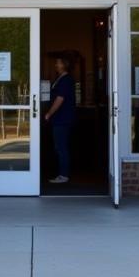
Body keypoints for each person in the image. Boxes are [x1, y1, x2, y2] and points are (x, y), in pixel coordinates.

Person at [44, 56, 76, 184]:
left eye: (57, 63)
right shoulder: (60, 79)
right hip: (60, 119)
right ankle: (62, 174)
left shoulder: (66, 80)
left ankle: (64, 175)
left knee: (61, 147)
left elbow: (60, 99)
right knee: (59, 147)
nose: (56, 65)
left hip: (62, 119)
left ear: (64, 65)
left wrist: (49, 113)